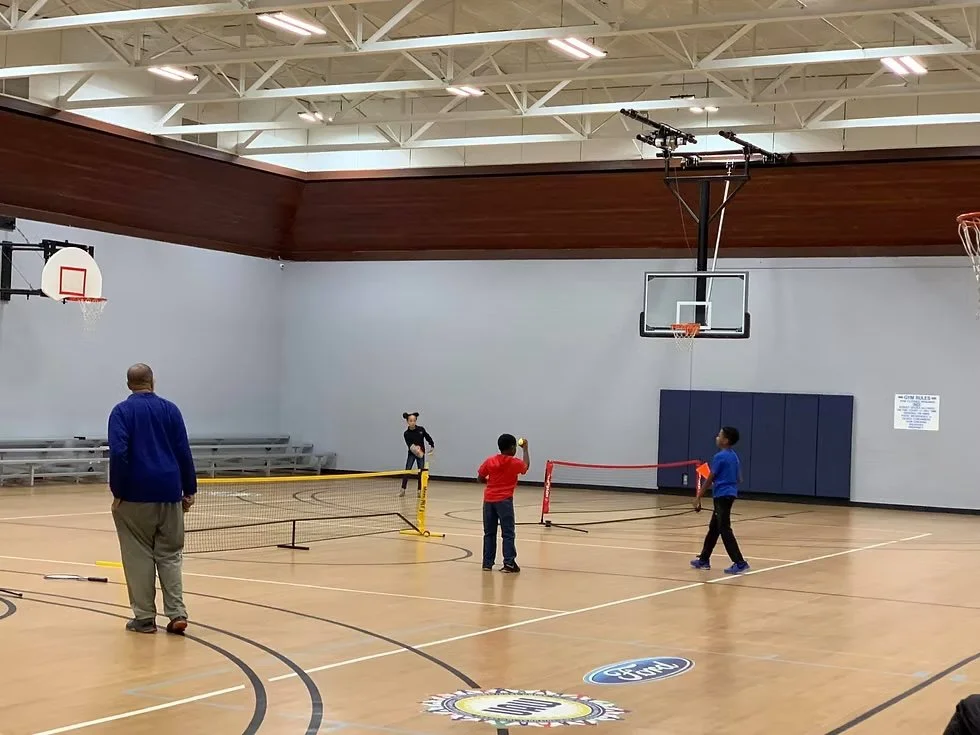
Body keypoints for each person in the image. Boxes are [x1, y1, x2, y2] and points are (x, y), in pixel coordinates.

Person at [108, 363, 197, 635]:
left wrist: (118, 492)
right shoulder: (171, 410)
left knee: (138, 556)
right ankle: (177, 613)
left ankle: (145, 618)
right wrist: (189, 489)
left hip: (135, 496)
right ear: (152, 381)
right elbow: (183, 450)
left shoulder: (121, 412)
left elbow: (118, 454)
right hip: (170, 493)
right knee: (170, 555)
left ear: (128, 385)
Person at [690, 426, 750, 575]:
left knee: (724, 528)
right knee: (714, 528)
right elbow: (739, 478)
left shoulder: (719, 457)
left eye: (719, 435)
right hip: (730, 494)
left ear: (726, 440)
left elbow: (710, 478)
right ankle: (704, 560)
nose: (717, 437)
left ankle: (740, 562)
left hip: (722, 496)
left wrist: (698, 497)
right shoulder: (734, 456)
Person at [478, 434, 529, 573]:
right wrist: (525, 449)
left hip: (488, 500)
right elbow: (525, 467)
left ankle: (487, 563)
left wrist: (490, 483)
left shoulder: (490, 461)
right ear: (513, 447)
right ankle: (509, 563)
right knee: (507, 533)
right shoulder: (515, 462)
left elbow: (480, 477)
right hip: (504, 501)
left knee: (489, 533)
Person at [401, 411, 434, 497]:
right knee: (407, 471)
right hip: (412, 454)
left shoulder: (421, 430)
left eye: (414, 420)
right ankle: (403, 489)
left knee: (421, 472)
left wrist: (432, 445)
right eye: (410, 420)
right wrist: (416, 449)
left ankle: (419, 490)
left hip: (421, 455)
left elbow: (427, 437)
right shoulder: (406, 434)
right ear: (407, 422)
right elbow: (410, 445)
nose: (412, 422)